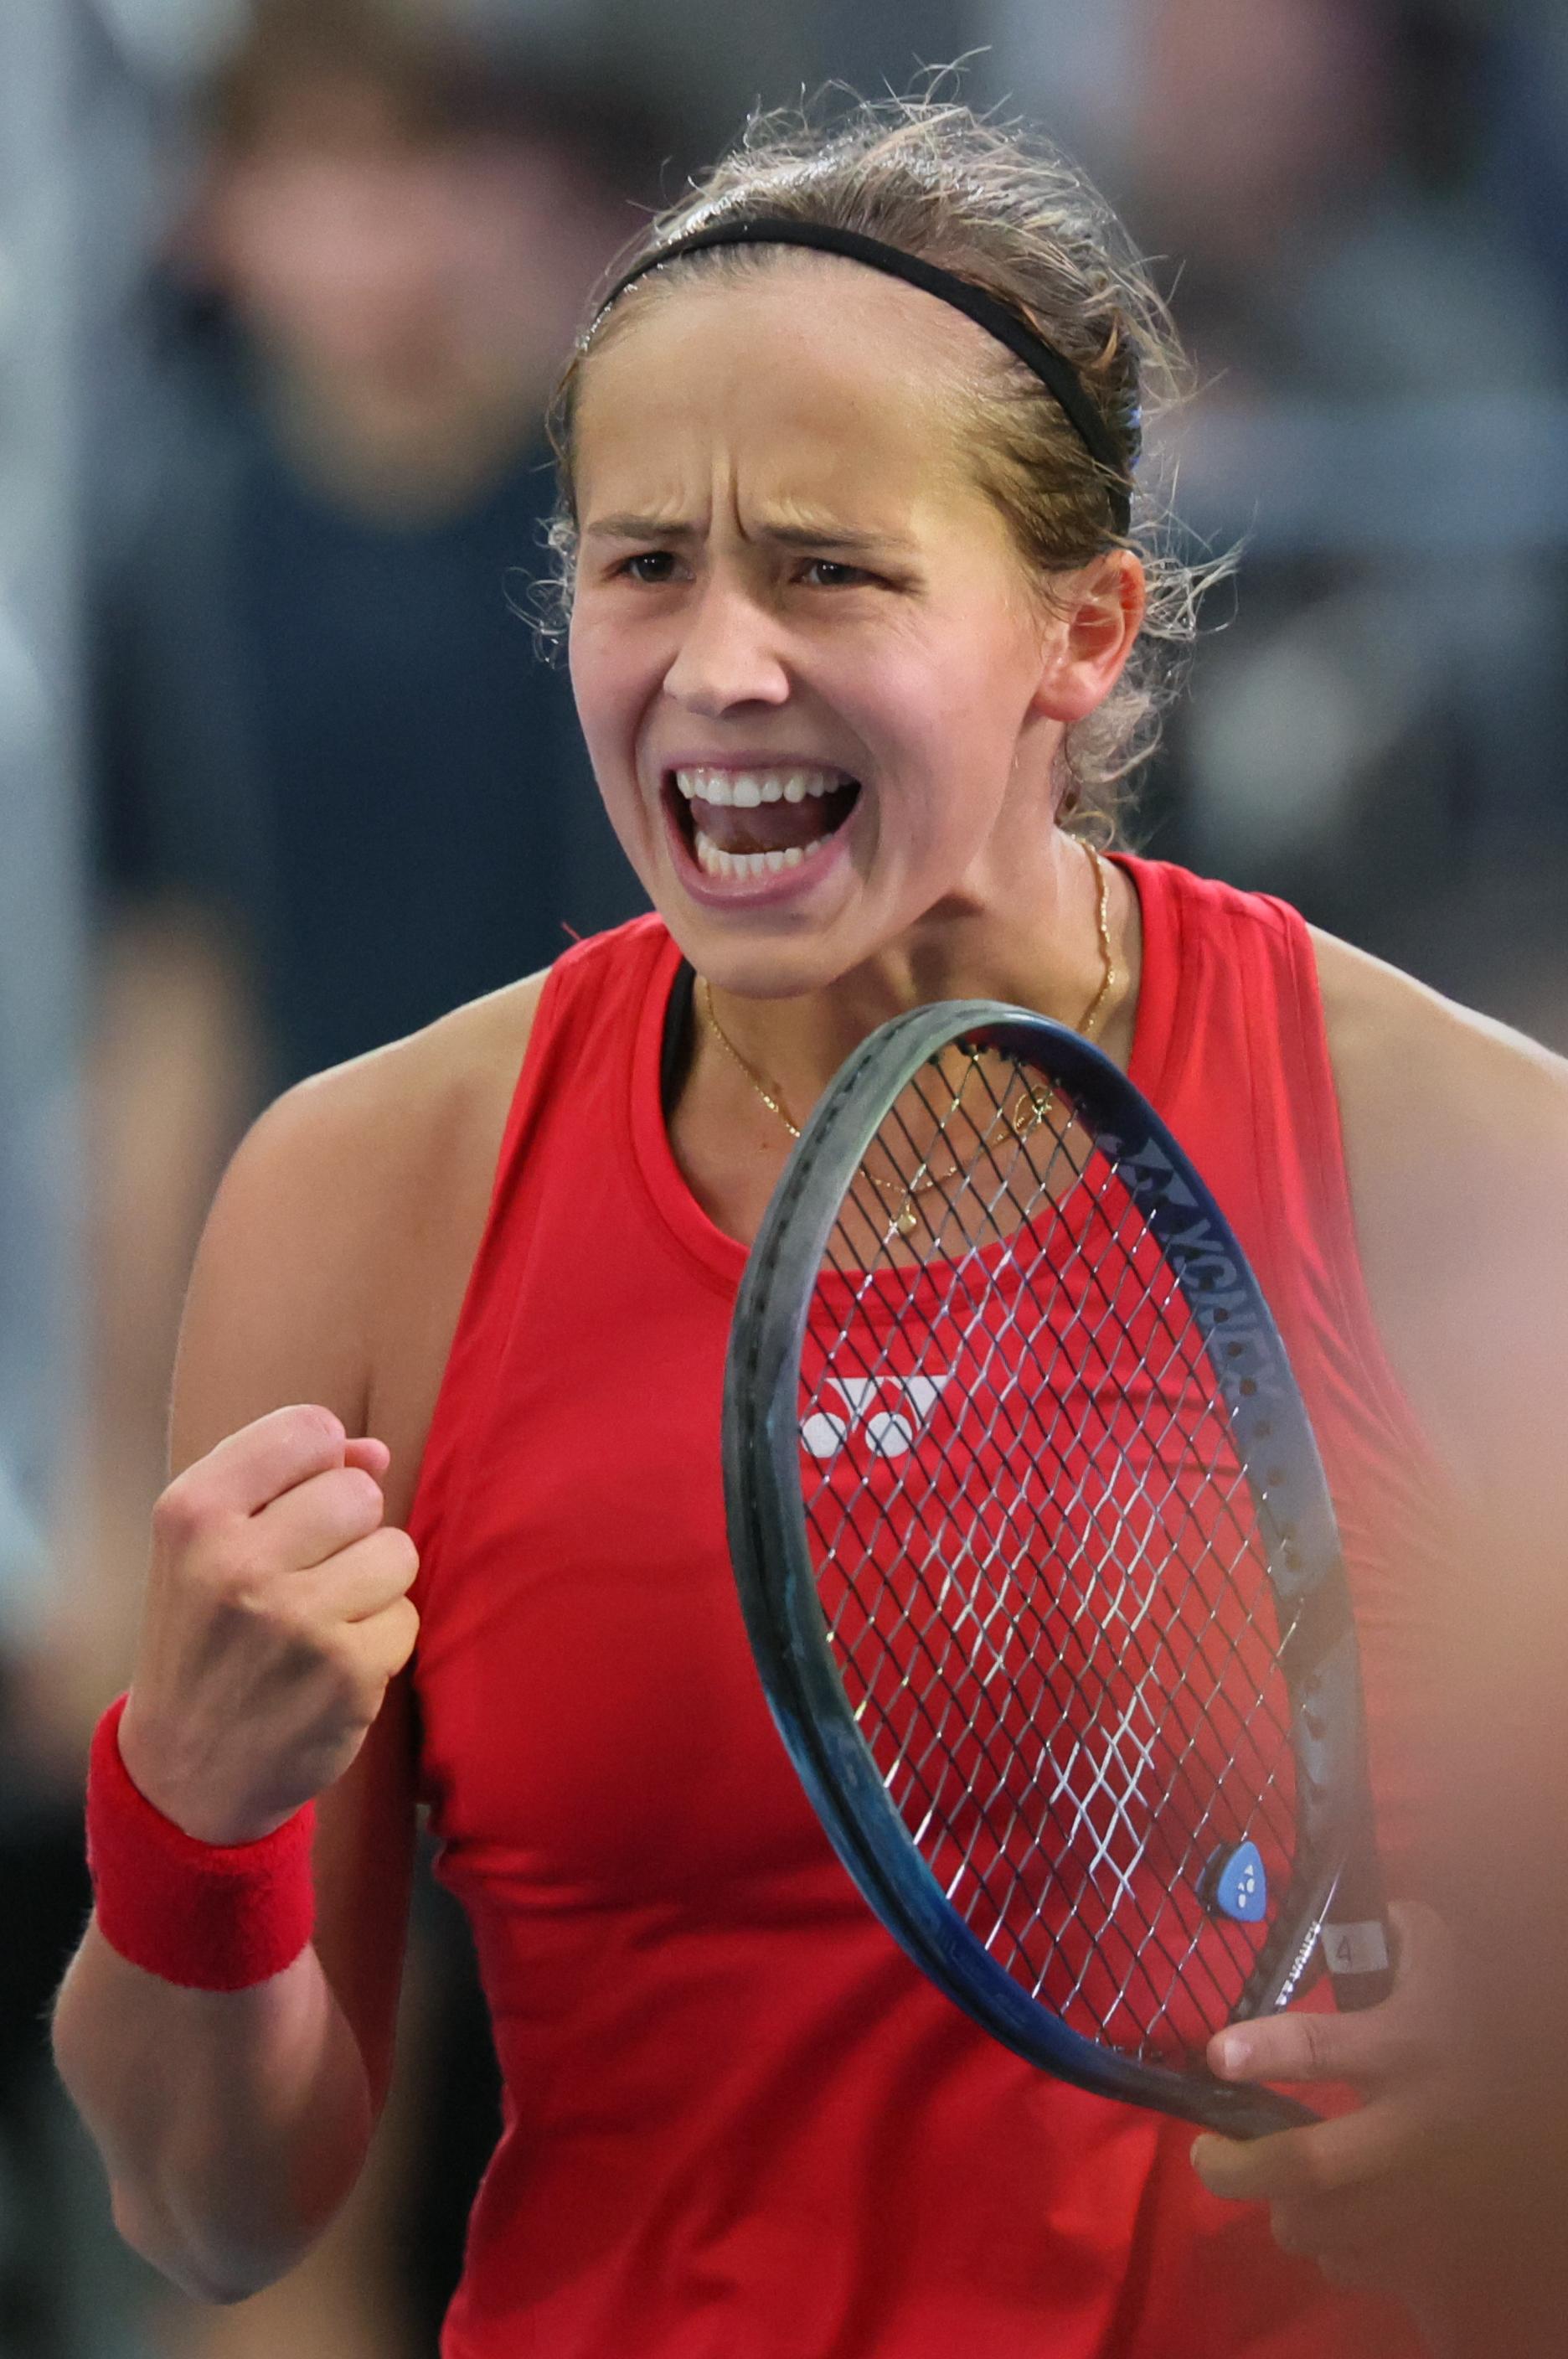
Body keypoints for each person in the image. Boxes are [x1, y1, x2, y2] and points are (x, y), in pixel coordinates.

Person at [50, 98, 1568, 2357]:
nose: (719, 665)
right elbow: (217, 2211)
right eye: (647, 563)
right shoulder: (366, 1201)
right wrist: (197, 1812)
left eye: (834, 570)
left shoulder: (1482, 1169)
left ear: (1081, 631)